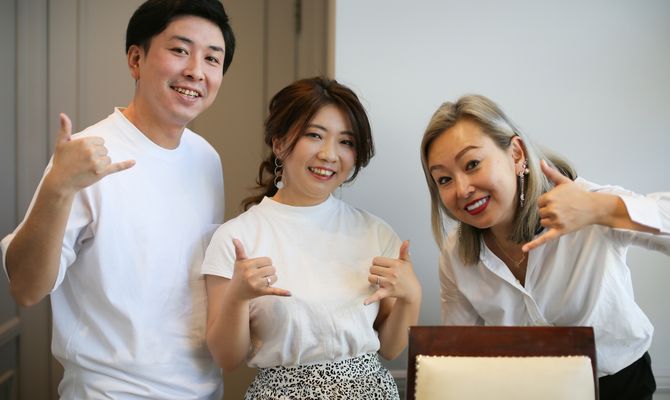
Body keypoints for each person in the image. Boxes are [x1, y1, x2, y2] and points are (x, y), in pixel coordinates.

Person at [1, 0, 235, 398]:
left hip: (203, 390)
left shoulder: (207, 159)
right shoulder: (86, 155)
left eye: (212, 58)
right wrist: (58, 188)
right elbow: (26, 288)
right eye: (180, 50)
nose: (196, 71)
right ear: (136, 59)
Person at [420, 94, 669, 400]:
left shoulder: (585, 203)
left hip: (619, 384)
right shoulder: (455, 253)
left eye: (472, 164)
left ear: (516, 154)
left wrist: (600, 209)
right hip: (526, 389)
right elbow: (462, 350)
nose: (462, 189)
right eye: (444, 179)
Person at [202, 77, 422, 399]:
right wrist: (237, 297)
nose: (330, 154)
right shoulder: (236, 238)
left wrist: (411, 296)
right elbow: (227, 358)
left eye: (346, 142)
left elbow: (390, 348)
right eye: (314, 135)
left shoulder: (376, 233)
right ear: (279, 144)